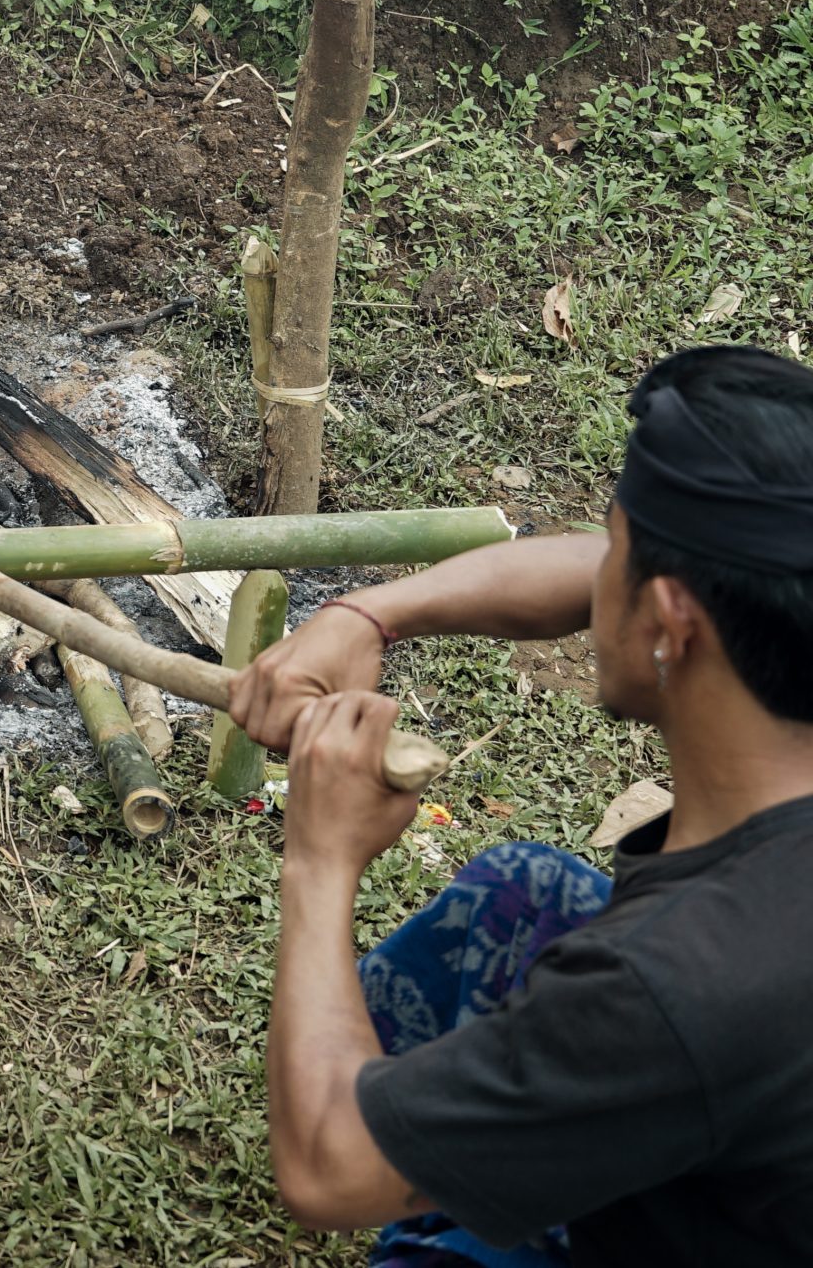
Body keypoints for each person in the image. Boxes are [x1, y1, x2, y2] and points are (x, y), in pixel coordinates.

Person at [233, 345, 813, 1267]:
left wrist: (321, 859)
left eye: (619, 549)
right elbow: (587, 570)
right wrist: (367, 615)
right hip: (747, 1121)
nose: (595, 570)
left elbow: (325, 1172)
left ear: (670, 624)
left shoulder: (673, 985)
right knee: (521, 892)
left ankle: (425, 1155)